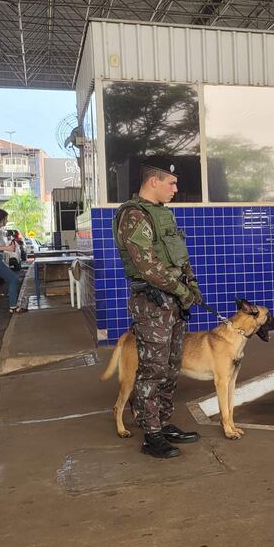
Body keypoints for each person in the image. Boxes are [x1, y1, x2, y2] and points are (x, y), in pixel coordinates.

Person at [112, 157, 203, 459]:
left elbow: (179, 256)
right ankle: (151, 435)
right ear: (154, 181)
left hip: (174, 302)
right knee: (152, 369)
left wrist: (191, 287)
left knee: (171, 366)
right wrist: (180, 290)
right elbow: (146, 265)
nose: (176, 188)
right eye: (172, 182)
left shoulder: (163, 214)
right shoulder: (134, 216)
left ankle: (162, 423)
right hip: (153, 302)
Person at [0, 209, 26, 314]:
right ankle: (13, 307)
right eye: (6, 218)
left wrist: (8, 247)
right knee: (14, 280)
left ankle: (13, 306)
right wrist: (7, 248)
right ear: (1, 219)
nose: (7, 220)